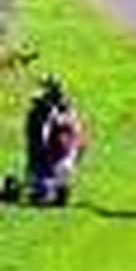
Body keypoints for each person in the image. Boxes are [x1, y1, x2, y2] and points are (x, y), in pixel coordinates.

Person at [23, 76, 87, 208]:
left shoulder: (60, 115)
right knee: (41, 182)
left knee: (43, 184)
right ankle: (50, 189)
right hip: (54, 160)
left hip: (56, 160)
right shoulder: (59, 113)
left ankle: (49, 190)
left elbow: (77, 137)